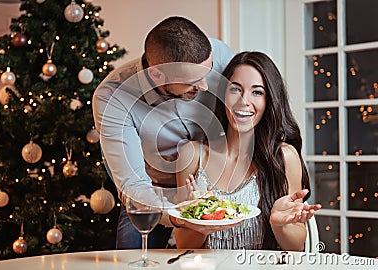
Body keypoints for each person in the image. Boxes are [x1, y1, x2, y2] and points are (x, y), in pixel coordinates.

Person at [92, 16, 234, 249]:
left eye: (206, 75)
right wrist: (181, 215)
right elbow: (134, 185)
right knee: (132, 259)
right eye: (194, 81)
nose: (205, 87)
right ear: (157, 74)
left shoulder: (217, 55)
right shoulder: (112, 97)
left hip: (218, 183)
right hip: (154, 193)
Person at [171, 51, 321, 251]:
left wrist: (279, 225)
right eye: (235, 89)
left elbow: (296, 246)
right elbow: (183, 245)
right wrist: (198, 223)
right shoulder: (192, 155)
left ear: (270, 101)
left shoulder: (284, 157)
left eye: (257, 92)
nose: (243, 101)